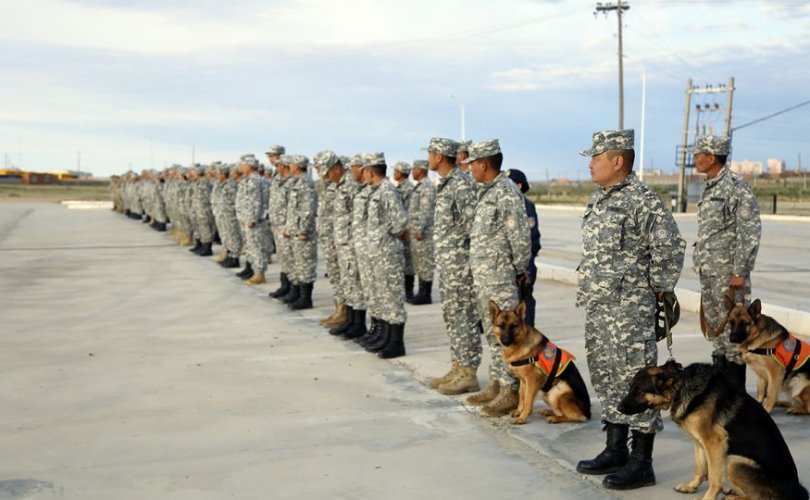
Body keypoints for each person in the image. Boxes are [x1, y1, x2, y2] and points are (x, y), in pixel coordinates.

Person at [575, 129, 685, 490]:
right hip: (600, 308)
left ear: (617, 161)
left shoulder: (642, 200)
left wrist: (655, 288)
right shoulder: (601, 200)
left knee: (637, 382)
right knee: (607, 378)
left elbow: (669, 248)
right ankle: (615, 448)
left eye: (596, 157)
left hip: (630, 310)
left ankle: (642, 462)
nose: (590, 164)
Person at [465, 139, 531, 416]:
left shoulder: (505, 193)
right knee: (493, 336)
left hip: (501, 276)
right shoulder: (485, 192)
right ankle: (496, 383)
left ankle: (510, 390)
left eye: (472, 163)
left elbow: (519, 237)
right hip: (484, 277)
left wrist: (518, 269)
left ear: (483, 163)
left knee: (508, 336)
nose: (469, 168)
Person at [690, 134, 761, 388]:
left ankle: (736, 399)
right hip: (710, 275)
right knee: (716, 332)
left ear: (711, 157)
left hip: (729, 276)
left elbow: (749, 231)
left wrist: (740, 272)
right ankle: (721, 393)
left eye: (697, 154)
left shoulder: (735, 186)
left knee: (734, 334)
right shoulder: (709, 186)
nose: (694, 158)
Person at [424, 137, 482, 396]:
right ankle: (457, 367)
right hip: (448, 266)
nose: (428, 157)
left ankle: (468, 373)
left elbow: (474, 226)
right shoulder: (446, 184)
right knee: (453, 318)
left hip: (460, 268)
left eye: (430, 153)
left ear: (438, 156)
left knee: (465, 319)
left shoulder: (461, 184)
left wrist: (466, 262)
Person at [361, 153, 409, 358]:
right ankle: (385, 337)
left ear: (370, 172)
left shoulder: (387, 191)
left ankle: (396, 343)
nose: (363, 175)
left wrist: (382, 233)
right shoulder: (377, 191)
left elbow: (400, 222)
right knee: (382, 296)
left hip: (387, 253)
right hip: (378, 253)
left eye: (364, 171)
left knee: (392, 298)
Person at [504, 168, 541, 326]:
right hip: (509, 262)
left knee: (524, 300)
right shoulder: (506, 205)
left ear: (519, 185)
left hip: (525, 261)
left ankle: (528, 331)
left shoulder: (526, 206)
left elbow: (531, 236)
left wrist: (525, 264)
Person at [314, 151, 345, 327]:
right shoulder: (330, 185)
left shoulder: (345, 185)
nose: (324, 175)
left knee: (344, 277)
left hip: (338, 239)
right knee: (335, 276)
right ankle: (339, 310)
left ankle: (344, 313)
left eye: (326, 171)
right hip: (329, 237)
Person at [282, 155, 318, 309]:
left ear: (297, 166)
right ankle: (296, 293)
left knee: (305, 265)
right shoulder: (295, 182)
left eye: (291, 164)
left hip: (303, 233)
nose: (289, 166)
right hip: (293, 231)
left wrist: (303, 229)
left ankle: (306, 298)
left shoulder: (305, 183)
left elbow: (308, 209)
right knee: (297, 264)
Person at [235, 155, 270, 285]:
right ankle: (255, 272)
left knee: (256, 247)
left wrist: (251, 219)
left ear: (249, 166)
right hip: (250, 219)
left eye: (242, 164)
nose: (240, 167)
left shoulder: (254, 181)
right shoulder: (250, 179)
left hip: (254, 221)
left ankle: (259, 274)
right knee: (253, 247)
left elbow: (255, 201)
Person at [406, 159, 436, 305]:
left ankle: (426, 294)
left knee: (425, 263)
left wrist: (419, 229)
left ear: (422, 170)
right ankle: (421, 292)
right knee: (419, 263)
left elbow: (425, 210)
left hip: (424, 233)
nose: (412, 172)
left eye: (415, 169)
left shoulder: (427, 187)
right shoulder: (419, 187)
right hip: (417, 233)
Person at [393, 162, 416, 301]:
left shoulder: (408, 188)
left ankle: (409, 292)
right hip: (402, 228)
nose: (394, 173)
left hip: (406, 229)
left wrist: (405, 228)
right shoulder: (400, 187)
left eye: (396, 171)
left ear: (401, 172)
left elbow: (408, 210)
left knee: (408, 263)